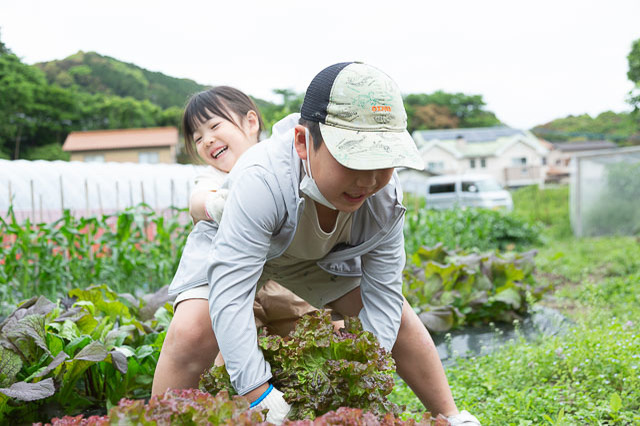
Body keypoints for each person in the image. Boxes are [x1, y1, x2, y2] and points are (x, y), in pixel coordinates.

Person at [202, 62, 481, 425]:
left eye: (384, 161)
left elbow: (384, 295)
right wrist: (260, 393)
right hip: (235, 241)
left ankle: (452, 417)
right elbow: (231, 295)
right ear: (303, 142)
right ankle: (157, 416)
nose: (369, 180)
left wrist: (363, 377)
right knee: (193, 331)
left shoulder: (384, 195)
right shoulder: (261, 180)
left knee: (402, 321)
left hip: (313, 257)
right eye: (353, 159)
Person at [152, 86, 319, 396]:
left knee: (318, 335)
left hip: (283, 278)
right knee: (225, 358)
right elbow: (198, 202)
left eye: (214, 126)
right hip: (231, 281)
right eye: (198, 137)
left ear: (251, 122)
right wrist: (219, 205)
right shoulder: (214, 178)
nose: (207, 140)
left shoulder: (280, 162)